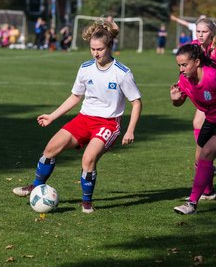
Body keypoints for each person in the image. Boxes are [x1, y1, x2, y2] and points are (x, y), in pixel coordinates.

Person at [12, 17, 142, 213]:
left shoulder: (122, 73)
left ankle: (87, 204)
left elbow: (136, 102)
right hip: (84, 119)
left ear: (110, 46)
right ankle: (35, 187)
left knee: (88, 159)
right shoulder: (85, 68)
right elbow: (75, 97)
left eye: (100, 49)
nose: (96, 53)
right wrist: (52, 116)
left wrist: (130, 130)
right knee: (50, 149)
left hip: (108, 124)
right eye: (92, 49)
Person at [170, 43, 216, 214]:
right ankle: (197, 200)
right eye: (179, 65)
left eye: (184, 65)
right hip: (211, 121)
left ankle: (191, 204)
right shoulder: (184, 79)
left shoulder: (212, 77)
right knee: (200, 159)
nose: (181, 69)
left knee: (207, 153)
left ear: (197, 62)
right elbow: (179, 102)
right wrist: (176, 99)